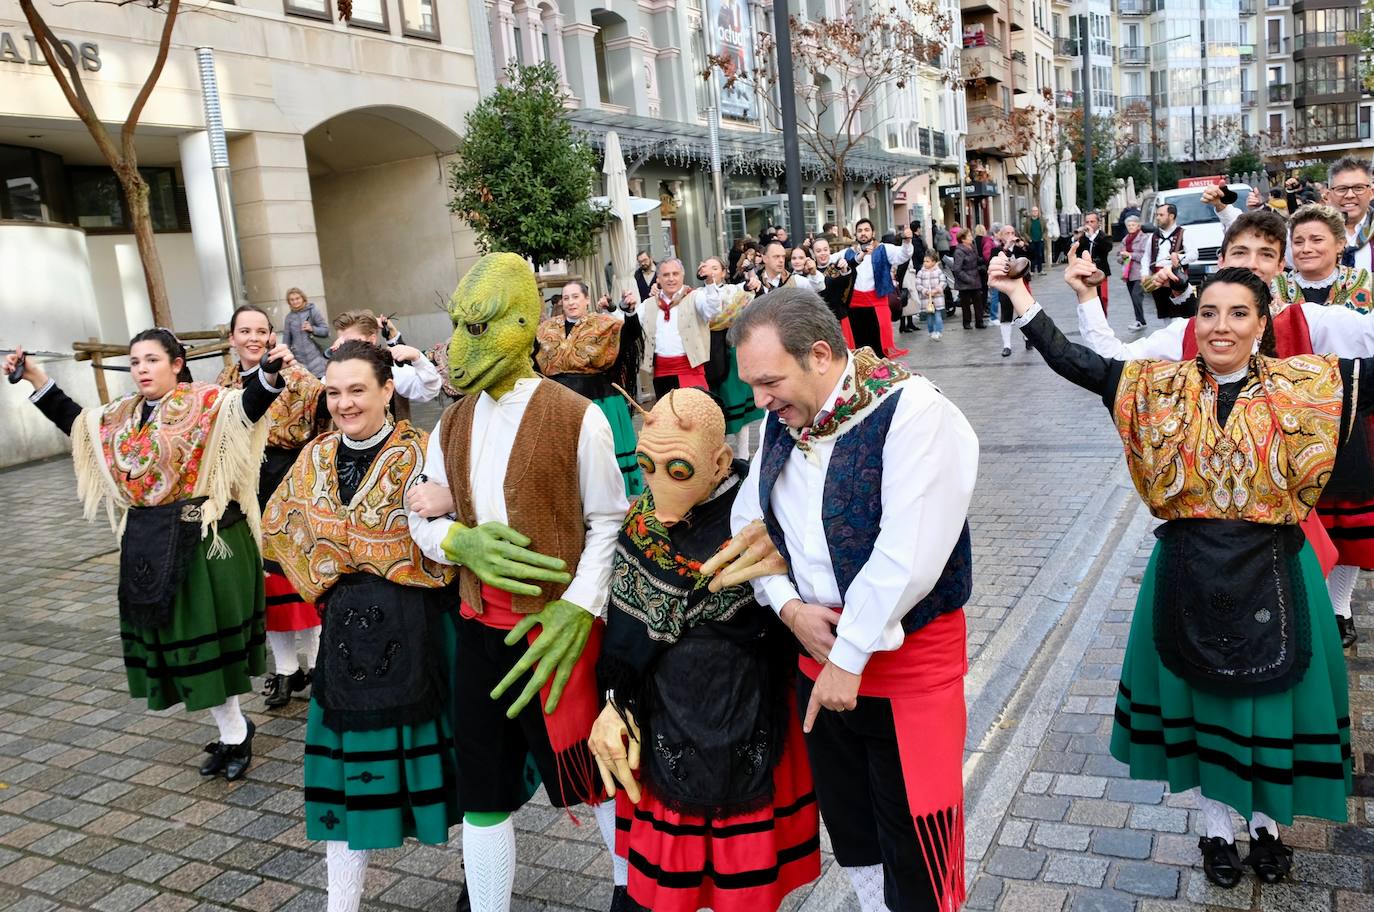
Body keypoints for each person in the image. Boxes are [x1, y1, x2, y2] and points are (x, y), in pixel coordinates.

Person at [995, 258, 1356, 889]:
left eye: (1238, 313)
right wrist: (1019, 294)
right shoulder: (1156, 388)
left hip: (1276, 564)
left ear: (1262, 321)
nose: (1221, 326)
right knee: (1203, 701)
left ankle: (1267, 828)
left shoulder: (1311, 384)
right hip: (1188, 563)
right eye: (1209, 312)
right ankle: (1217, 829)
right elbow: (1077, 364)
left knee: (1273, 704)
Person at [729, 288, 979, 912]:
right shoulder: (782, 418)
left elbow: (909, 551)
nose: (759, 400)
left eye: (768, 382)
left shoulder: (914, 411)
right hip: (820, 663)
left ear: (819, 355)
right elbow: (749, 524)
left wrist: (851, 654)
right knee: (856, 834)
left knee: (917, 845)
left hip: (904, 668)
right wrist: (786, 605)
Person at [405, 252, 628, 912]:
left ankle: (628, 892)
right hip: (479, 633)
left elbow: (609, 523)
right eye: (457, 328)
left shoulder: (577, 417)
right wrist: (457, 540)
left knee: (593, 775)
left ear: (527, 320)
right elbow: (419, 508)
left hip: (557, 639)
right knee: (481, 785)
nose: (457, 352)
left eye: (480, 328)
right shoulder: (451, 423)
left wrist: (580, 609)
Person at [1074, 208, 1374, 650]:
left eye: (1265, 254)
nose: (1252, 262)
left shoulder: (1312, 318)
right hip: (1222, 497)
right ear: (1221, 260)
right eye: (1240, 251)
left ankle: (1334, 615)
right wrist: (1085, 297)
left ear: (1280, 266)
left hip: (1302, 473)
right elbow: (1115, 360)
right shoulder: (1190, 331)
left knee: (1331, 553)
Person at [4, 330, 293, 781]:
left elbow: (248, 407)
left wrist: (271, 373)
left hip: (205, 541)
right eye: (135, 360)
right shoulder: (123, 415)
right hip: (151, 546)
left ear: (176, 364)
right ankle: (234, 729)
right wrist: (34, 378)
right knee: (186, 650)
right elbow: (79, 425)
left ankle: (235, 733)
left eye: (151, 360)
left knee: (206, 646)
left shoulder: (208, 402)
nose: (141, 368)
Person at [588, 388, 821, 912]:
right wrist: (613, 701)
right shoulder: (640, 520)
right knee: (665, 884)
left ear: (718, 461)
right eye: (646, 465)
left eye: (678, 469)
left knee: (743, 887)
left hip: (747, 709)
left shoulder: (763, 511)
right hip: (666, 713)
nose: (655, 486)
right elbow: (624, 626)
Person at [261, 341, 459, 912]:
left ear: (387, 390)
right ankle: (340, 906)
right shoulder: (314, 456)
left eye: (357, 390)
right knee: (346, 784)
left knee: (456, 767)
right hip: (345, 639)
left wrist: (450, 499)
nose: (344, 403)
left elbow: (473, 513)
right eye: (334, 391)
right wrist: (324, 579)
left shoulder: (426, 452)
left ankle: (480, 880)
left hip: (425, 629)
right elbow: (280, 526)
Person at [217, 305, 326, 709]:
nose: (253, 338)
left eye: (260, 330)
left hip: (288, 480)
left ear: (271, 335)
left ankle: (316, 663)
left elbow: (325, 407)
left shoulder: (292, 372)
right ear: (232, 338)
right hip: (244, 487)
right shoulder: (224, 380)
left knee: (296, 578)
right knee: (265, 585)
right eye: (244, 331)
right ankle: (284, 670)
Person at [535, 280, 645, 498]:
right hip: (558, 401)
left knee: (600, 453)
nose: (570, 302)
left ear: (586, 300)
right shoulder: (546, 328)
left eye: (575, 297)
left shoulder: (603, 324)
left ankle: (610, 500)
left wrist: (630, 312)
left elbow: (630, 336)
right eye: (566, 298)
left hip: (597, 399)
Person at [635, 257, 736, 399]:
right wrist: (619, 309)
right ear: (658, 279)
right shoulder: (649, 304)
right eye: (666, 275)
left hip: (690, 370)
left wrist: (709, 283)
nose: (671, 279)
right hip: (660, 373)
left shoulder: (695, 297)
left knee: (694, 417)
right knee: (668, 418)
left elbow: (713, 310)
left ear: (683, 275)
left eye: (675, 274)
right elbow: (628, 324)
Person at [696, 256, 765, 460]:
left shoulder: (735, 290)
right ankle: (720, 456)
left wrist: (753, 281)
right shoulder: (697, 295)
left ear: (724, 272)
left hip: (732, 350)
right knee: (716, 405)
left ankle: (743, 455)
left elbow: (754, 293)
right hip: (707, 353)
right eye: (708, 267)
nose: (712, 271)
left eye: (716, 268)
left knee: (737, 402)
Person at [1274, 203, 1373, 312]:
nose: (1306, 249)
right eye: (1298, 242)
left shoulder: (1367, 282)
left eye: (1317, 240)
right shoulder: (1274, 286)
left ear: (1340, 244)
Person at [329, 311, 442, 405]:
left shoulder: (391, 370)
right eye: (341, 342)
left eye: (351, 341)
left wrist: (418, 359)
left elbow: (429, 391)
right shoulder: (332, 375)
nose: (345, 347)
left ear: (372, 339)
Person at [844, 218, 913, 358]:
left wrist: (907, 241)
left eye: (866, 230)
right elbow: (826, 261)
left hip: (877, 303)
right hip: (854, 307)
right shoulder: (848, 253)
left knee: (879, 346)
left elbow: (903, 255)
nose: (863, 233)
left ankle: (880, 376)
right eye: (860, 231)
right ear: (855, 234)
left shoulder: (884, 249)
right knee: (858, 348)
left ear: (873, 232)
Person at [1146, 203, 1194, 319]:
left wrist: (1179, 257)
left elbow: (1194, 254)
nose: (1157, 218)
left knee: (1178, 312)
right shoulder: (1153, 236)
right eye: (1157, 215)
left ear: (1171, 216)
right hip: (1158, 277)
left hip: (1175, 277)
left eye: (1161, 215)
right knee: (1164, 313)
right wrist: (1144, 275)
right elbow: (1146, 257)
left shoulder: (1184, 233)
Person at [1329, 158, 1373, 276]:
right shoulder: (1311, 233)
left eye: (1358, 188)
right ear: (1329, 195)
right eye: (1341, 189)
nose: (1349, 195)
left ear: (1371, 192)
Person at [994, 224, 1031, 357]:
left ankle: (1027, 338)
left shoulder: (1019, 247)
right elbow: (997, 260)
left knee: (1025, 314)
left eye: (1012, 232)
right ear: (1002, 236)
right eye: (1007, 233)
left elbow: (1031, 256)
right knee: (1006, 316)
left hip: (1021, 284)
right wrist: (1006, 247)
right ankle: (1007, 346)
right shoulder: (998, 249)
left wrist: (1024, 246)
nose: (1010, 235)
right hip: (1005, 285)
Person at [283, 287, 329, 377]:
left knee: (322, 387)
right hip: (300, 362)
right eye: (292, 300)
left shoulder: (313, 311)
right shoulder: (289, 318)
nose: (295, 301)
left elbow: (325, 330)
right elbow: (286, 341)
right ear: (289, 302)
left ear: (303, 298)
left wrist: (312, 328)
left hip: (317, 359)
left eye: (297, 298)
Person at [906, 251, 947, 339]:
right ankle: (931, 330)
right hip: (926, 299)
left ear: (934, 262)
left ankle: (938, 331)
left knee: (937, 315)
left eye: (927, 261)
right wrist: (925, 291)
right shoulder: (921, 272)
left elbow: (943, 282)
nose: (925, 263)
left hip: (937, 298)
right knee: (929, 316)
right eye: (924, 261)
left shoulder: (938, 271)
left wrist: (937, 290)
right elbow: (917, 284)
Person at [1120, 215, 1150, 331]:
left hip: (1140, 271)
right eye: (1129, 225)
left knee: (1136, 296)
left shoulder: (1144, 238)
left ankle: (1141, 321)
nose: (1131, 227)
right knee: (1133, 298)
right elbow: (1119, 256)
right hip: (1128, 272)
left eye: (1133, 225)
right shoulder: (1125, 239)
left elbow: (1145, 256)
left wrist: (1130, 255)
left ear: (1138, 225)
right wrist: (1122, 257)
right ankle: (1139, 320)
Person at [1081, 211, 1113, 312]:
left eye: (1092, 221)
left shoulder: (1104, 237)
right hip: (1085, 272)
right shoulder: (1083, 238)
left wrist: (1092, 237)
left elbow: (1106, 248)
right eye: (1087, 222)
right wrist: (1074, 239)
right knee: (1087, 300)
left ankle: (1102, 321)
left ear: (1098, 223)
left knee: (1102, 298)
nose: (1089, 224)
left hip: (1100, 272)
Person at [952, 230, 985, 330]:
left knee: (978, 302)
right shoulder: (959, 251)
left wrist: (982, 262)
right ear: (963, 239)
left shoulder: (972, 247)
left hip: (975, 278)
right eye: (969, 236)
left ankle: (979, 322)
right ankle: (966, 323)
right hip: (964, 282)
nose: (971, 237)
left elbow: (976, 259)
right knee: (965, 304)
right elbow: (957, 269)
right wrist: (968, 278)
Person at [1024, 206, 1046, 275]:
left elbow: (1045, 230)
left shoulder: (1042, 220)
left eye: (1036, 211)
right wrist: (1029, 239)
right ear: (1031, 212)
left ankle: (1040, 270)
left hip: (1040, 240)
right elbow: (1024, 232)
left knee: (1040, 255)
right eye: (1033, 211)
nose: (1035, 212)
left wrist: (1043, 237)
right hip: (1032, 241)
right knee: (1032, 256)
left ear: (1038, 212)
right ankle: (1032, 271)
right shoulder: (1028, 221)